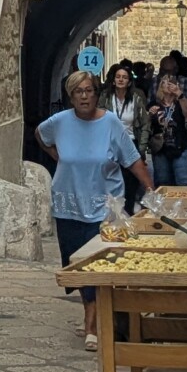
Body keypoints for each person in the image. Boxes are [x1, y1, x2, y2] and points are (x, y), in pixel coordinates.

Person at [37, 68, 152, 350]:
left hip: (104, 206)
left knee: (98, 264)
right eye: (79, 92)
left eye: (89, 91)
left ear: (97, 93)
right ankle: (93, 312)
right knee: (76, 266)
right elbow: (41, 135)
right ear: (71, 97)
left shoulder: (111, 123)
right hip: (68, 203)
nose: (84, 96)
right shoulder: (60, 122)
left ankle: (92, 324)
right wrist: (60, 157)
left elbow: (132, 158)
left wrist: (150, 189)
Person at [104, 62, 153, 211]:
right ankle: (111, 215)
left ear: (129, 81)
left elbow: (145, 124)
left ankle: (129, 213)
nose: (120, 80)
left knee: (130, 182)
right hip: (110, 145)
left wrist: (142, 148)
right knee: (110, 181)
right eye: (118, 77)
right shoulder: (105, 98)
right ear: (113, 80)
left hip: (131, 144)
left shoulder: (136, 99)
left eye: (124, 77)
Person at [151, 52, 187, 188]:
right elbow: (149, 107)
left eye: (170, 71)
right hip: (161, 144)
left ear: (176, 70)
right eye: (164, 71)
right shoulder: (155, 83)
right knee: (162, 182)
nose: (167, 76)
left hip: (179, 142)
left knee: (183, 181)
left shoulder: (184, 82)